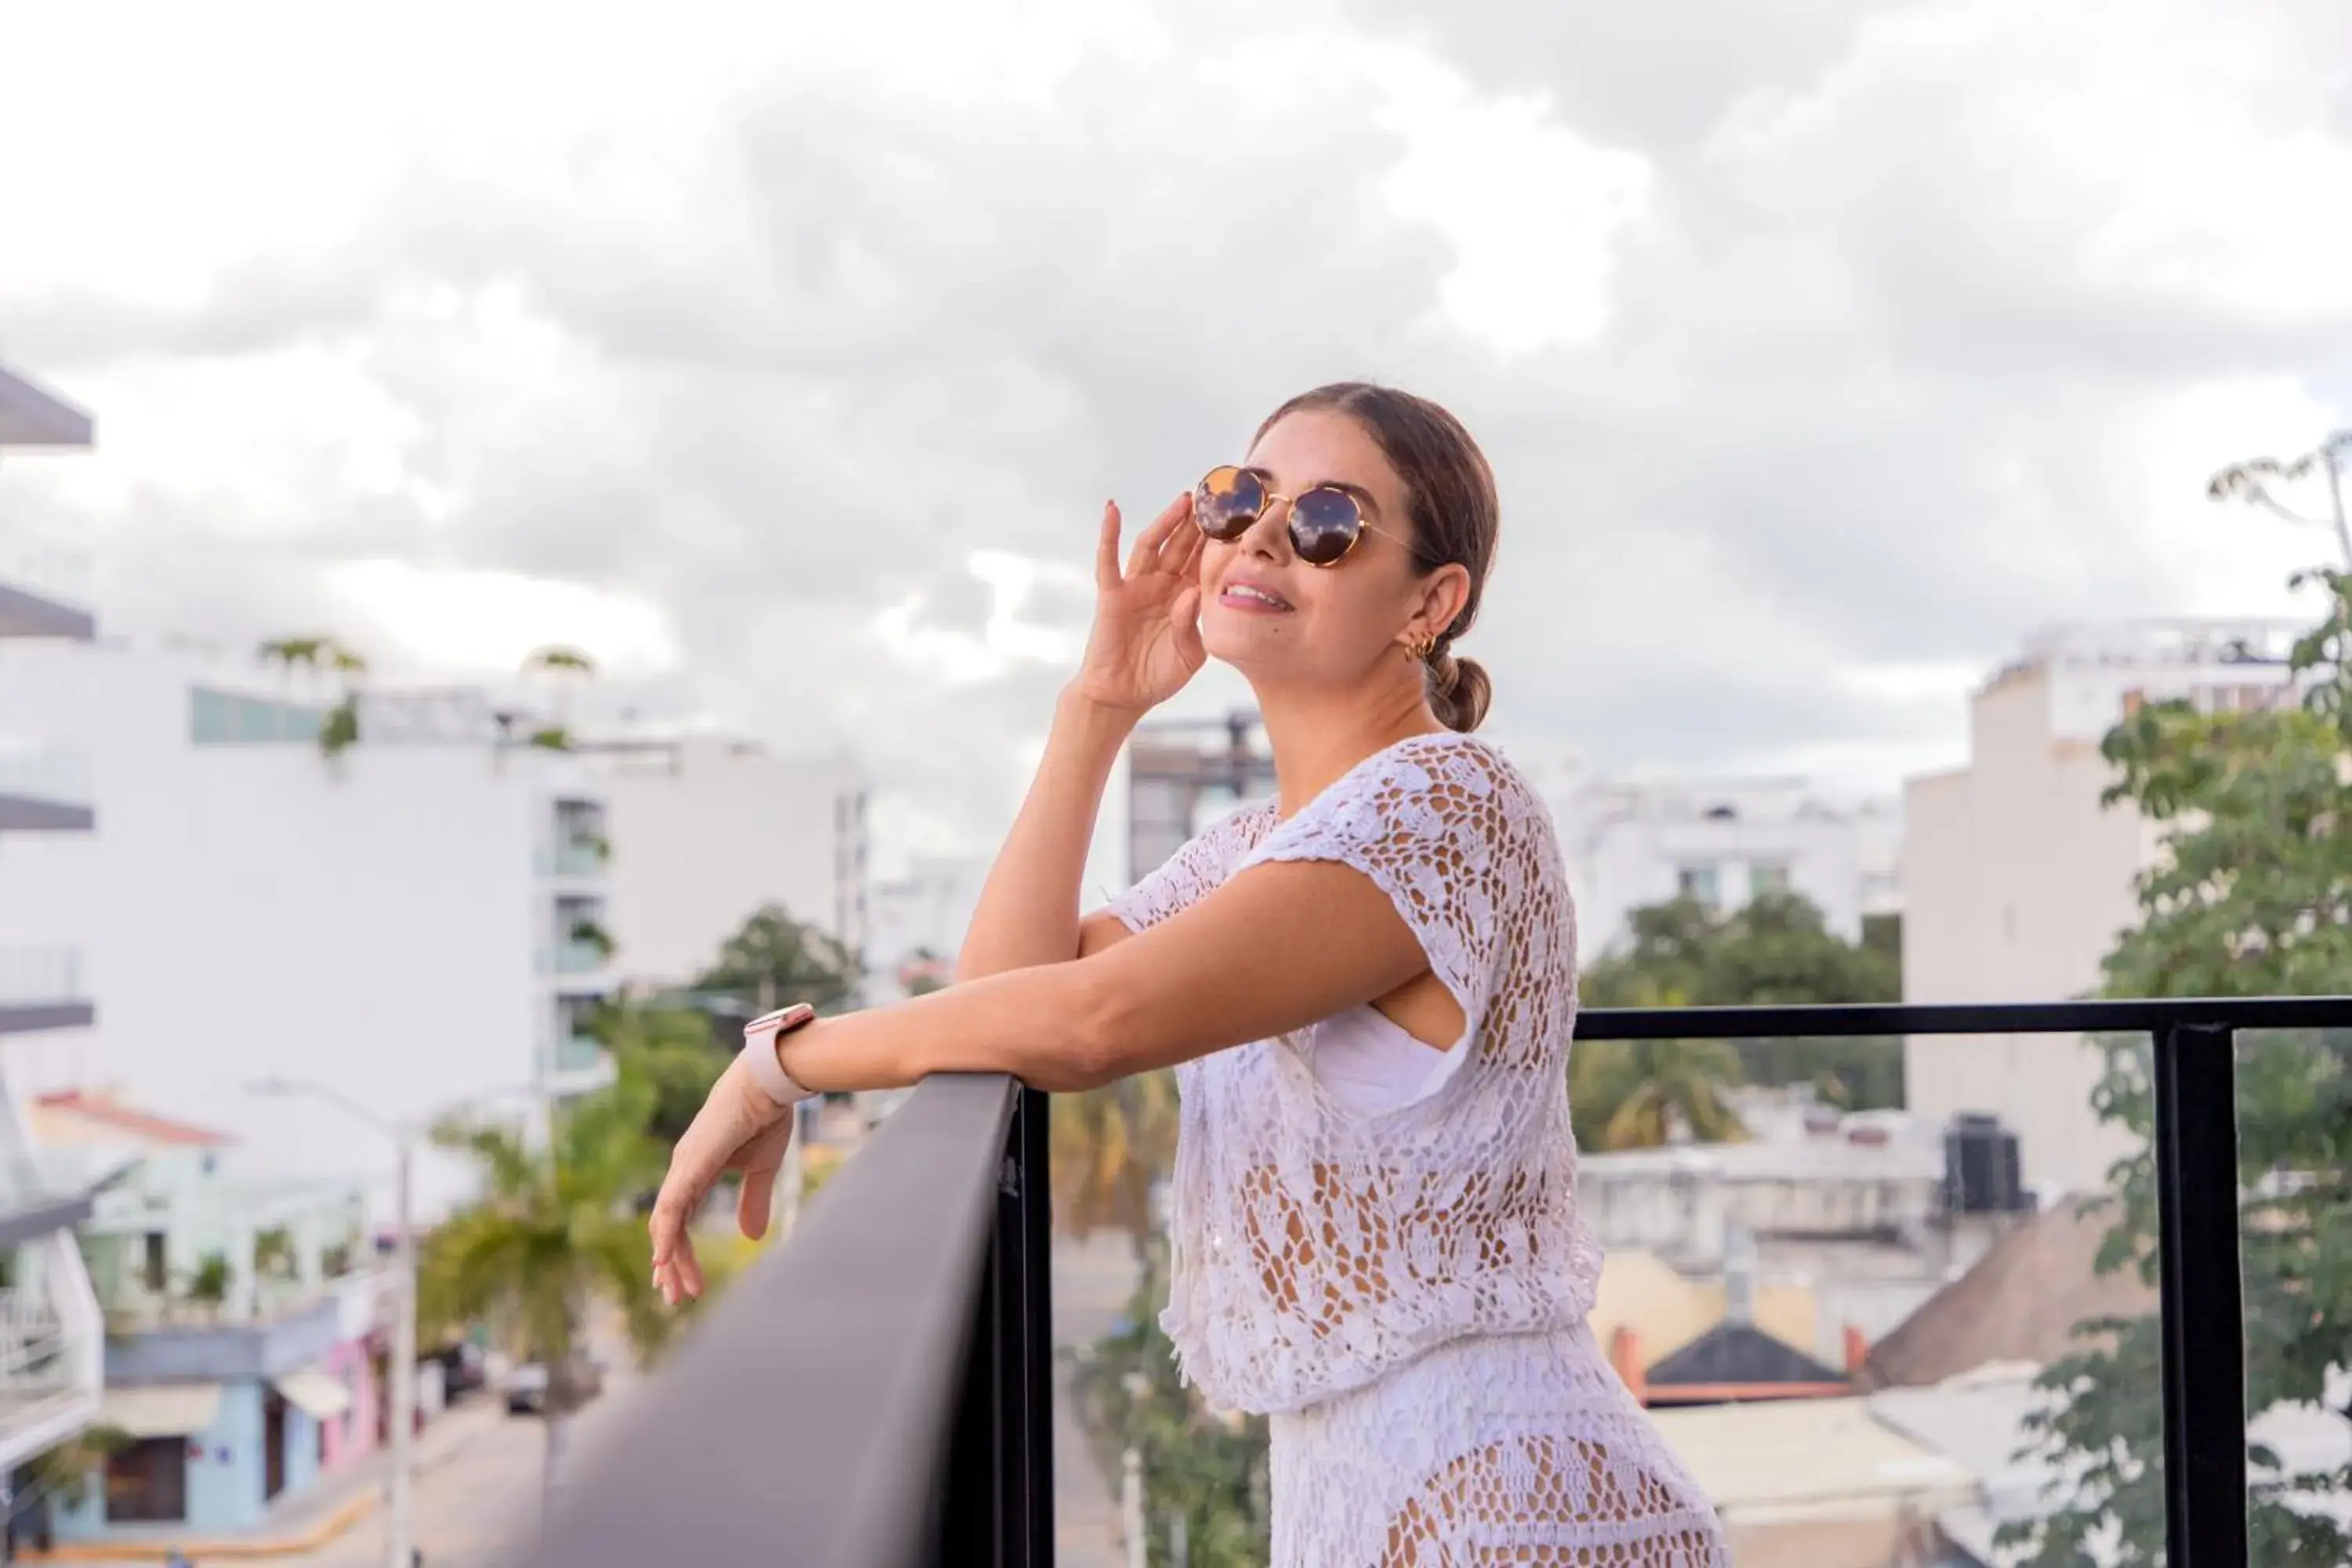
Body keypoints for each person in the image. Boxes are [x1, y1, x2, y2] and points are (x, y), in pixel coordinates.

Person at [650, 382, 1731, 1564]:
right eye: (1240, 497)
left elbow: (1090, 1024)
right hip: (1375, 1487)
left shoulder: (1443, 807)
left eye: (1328, 521)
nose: (1262, 534)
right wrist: (1100, 701)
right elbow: (1001, 993)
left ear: (1431, 601)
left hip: (1505, 1499)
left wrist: (779, 1067)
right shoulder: (1262, 847)